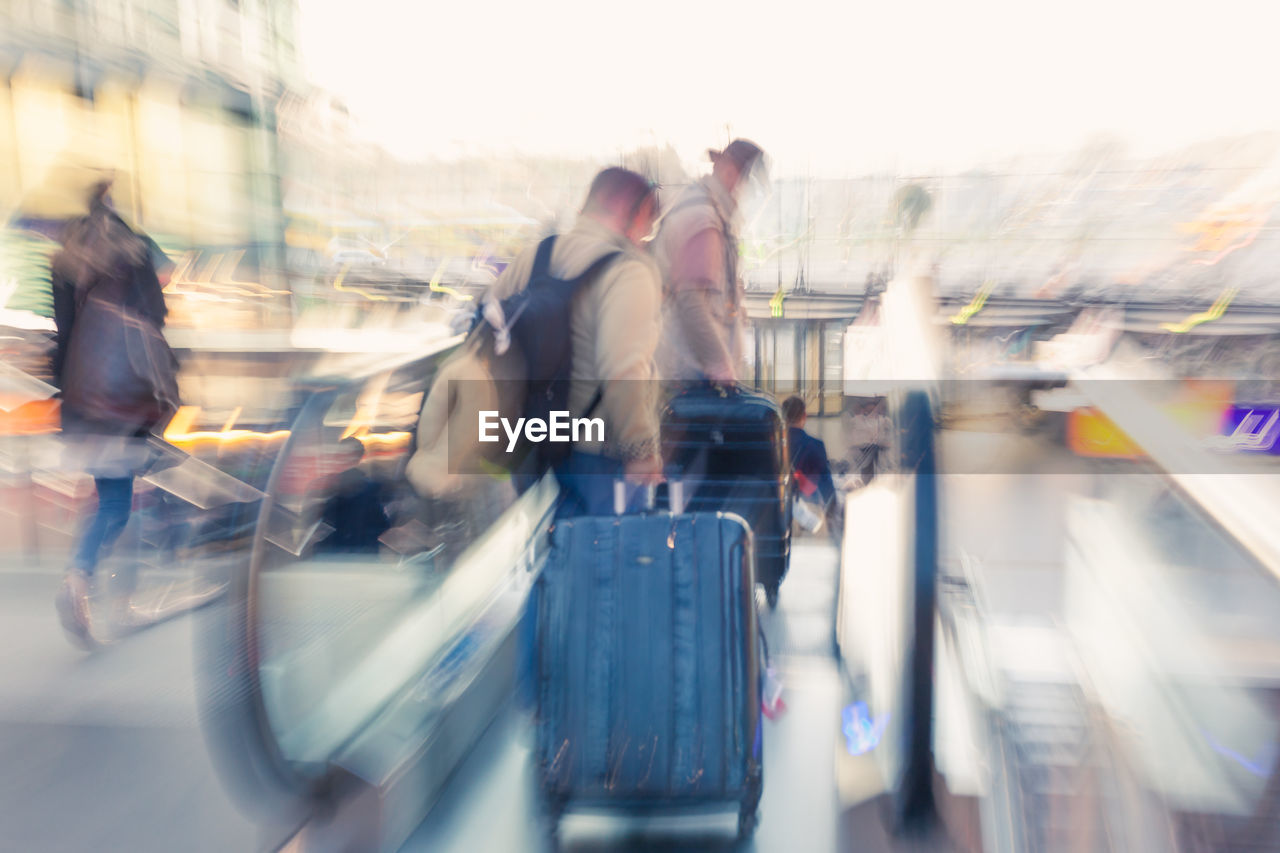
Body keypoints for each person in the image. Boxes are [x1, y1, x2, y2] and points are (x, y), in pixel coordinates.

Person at [487, 167, 664, 517]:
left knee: (543, 558)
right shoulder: (628, 271)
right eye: (649, 223)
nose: (647, 236)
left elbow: (487, 337)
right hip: (597, 459)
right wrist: (641, 451)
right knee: (606, 563)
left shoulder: (534, 256)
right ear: (633, 211)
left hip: (529, 446)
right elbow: (623, 370)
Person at [52, 176, 179, 648]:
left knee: (109, 496)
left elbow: (61, 337)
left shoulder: (65, 259)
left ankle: (88, 585)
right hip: (128, 394)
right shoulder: (135, 249)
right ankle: (93, 587)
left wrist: (64, 400)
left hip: (84, 396)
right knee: (119, 503)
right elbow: (157, 315)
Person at [653, 139, 767, 385]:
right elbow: (691, 302)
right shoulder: (704, 219)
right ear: (730, 173)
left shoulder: (705, 209)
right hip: (696, 379)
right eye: (749, 183)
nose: (748, 194)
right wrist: (723, 370)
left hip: (693, 374)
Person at [781, 395, 835, 510]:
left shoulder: (774, 446)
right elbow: (826, 484)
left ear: (783, 418)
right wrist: (833, 508)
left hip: (780, 509)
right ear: (804, 416)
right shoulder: (816, 445)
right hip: (809, 507)